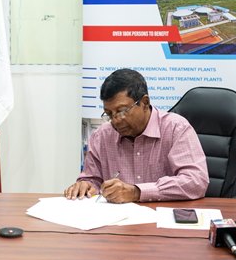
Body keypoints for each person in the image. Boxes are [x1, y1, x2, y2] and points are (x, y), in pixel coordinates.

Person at [64, 68, 208, 203]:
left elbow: (196, 181)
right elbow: (92, 180)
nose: (116, 120)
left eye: (122, 111)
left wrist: (136, 192)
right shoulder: (102, 136)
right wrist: (85, 185)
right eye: (109, 114)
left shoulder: (176, 128)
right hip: (117, 219)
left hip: (161, 217)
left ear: (145, 102)